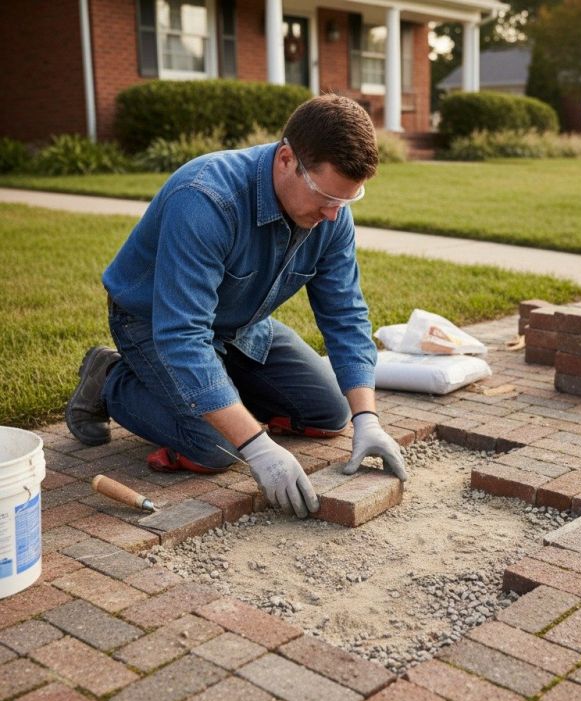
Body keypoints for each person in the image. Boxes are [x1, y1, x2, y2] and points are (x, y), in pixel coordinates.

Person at [66, 94, 406, 519]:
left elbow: (345, 312)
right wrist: (258, 446)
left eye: (347, 200)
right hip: (153, 323)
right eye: (326, 196)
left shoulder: (330, 213)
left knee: (331, 412)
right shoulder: (206, 198)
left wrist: (367, 418)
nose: (335, 214)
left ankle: (216, 391)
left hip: (241, 322)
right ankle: (110, 378)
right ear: (286, 159)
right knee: (218, 447)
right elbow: (182, 336)